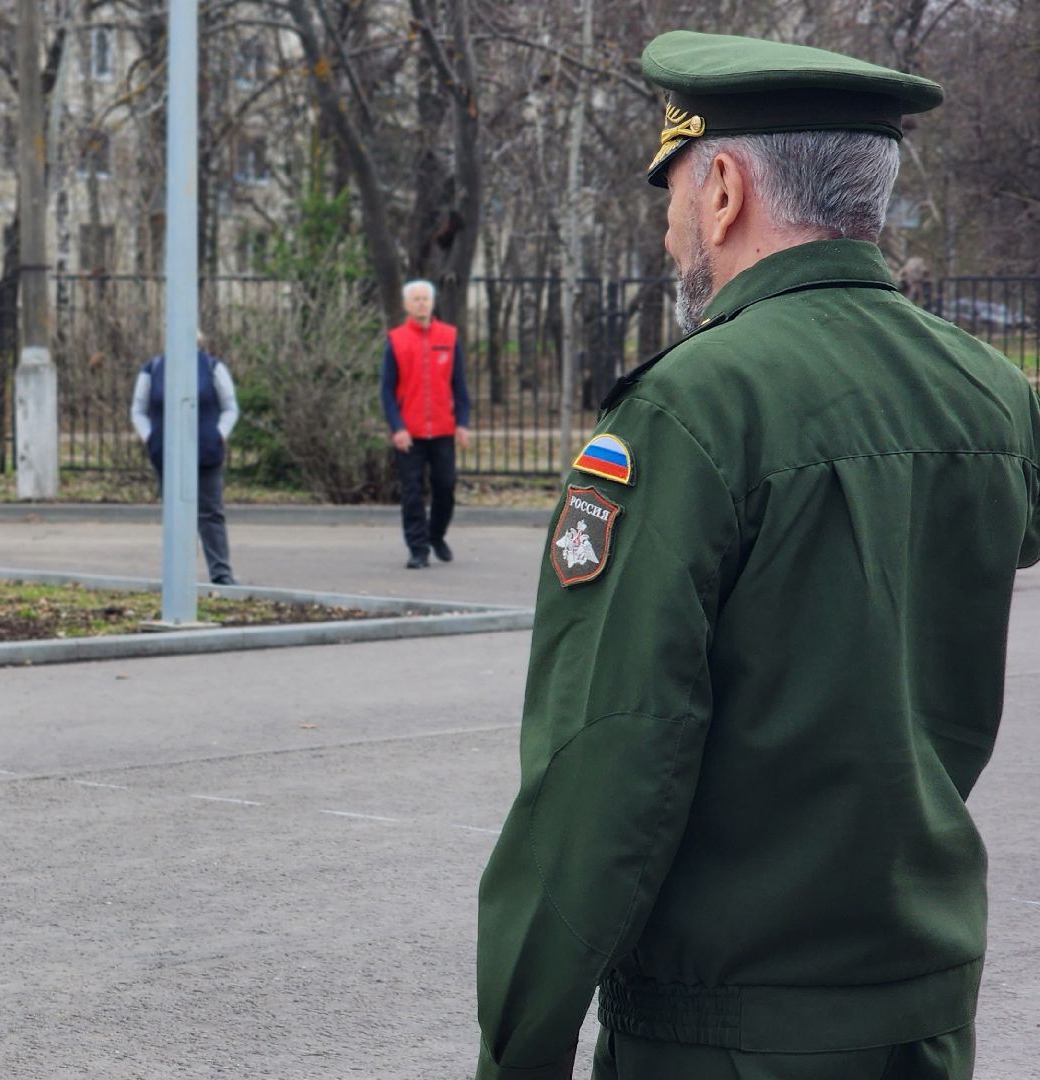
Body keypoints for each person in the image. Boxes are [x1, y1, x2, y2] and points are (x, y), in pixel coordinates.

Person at [474, 32, 1040, 1080]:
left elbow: (607, 759)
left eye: (674, 193)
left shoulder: (689, 409)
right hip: (921, 1010)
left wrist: (520, 1047)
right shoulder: (992, 394)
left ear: (725, 189)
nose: (668, 230)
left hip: (725, 1029)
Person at [130, 335, 239, 585]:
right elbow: (138, 410)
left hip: (206, 451)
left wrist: (219, 434)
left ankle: (221, 574)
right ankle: (178, 575)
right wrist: (150, 437)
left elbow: (230, 407)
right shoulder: (153, 369)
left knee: (210, 513)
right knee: (175, 514)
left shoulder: (211, 367)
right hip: (166, 453)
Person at [381, 280, 471, 569]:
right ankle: (417, 549)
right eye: (416, 299)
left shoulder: (448, 336)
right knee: (412, 492)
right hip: (410, 432)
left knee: (445, 487)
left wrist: (462, 423)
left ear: (432, 303)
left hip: (443, 429)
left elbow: (459, 385)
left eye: (425, 299)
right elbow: (387, 391)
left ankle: (436, 534)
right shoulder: (396, 340)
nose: (421, 303)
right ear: (406, 305)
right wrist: (397, 427)